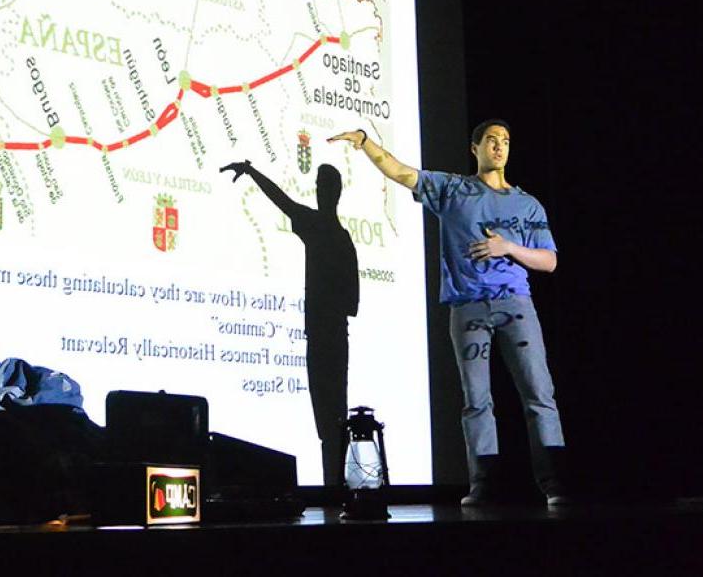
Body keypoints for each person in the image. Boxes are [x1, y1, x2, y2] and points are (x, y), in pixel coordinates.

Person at [329, 121, 569, 506]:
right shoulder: (453, 189)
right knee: (476, 399)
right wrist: (364, 142)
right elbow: (400, 171)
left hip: (516, 306)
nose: (499, 146)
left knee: (539, 394)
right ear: (474, 148)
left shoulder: (527, 204)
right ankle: (484, 485)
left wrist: (507, 247)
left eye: (506, 141)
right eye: (491, 140)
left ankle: (556, 484)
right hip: (468, 306)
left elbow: (549, 261)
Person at [220, 160, 359, 489]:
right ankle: (334, 487)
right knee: (331, 419)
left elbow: (282, 200)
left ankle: (334, 489)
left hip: (327, 335)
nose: (321, 192)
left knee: (330, 421)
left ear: (330, 192)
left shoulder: (326, 231)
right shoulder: (339, 236)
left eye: (324, 186)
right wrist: (253, 172)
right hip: (333, 334)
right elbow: (352, 301)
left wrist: (252, 172)